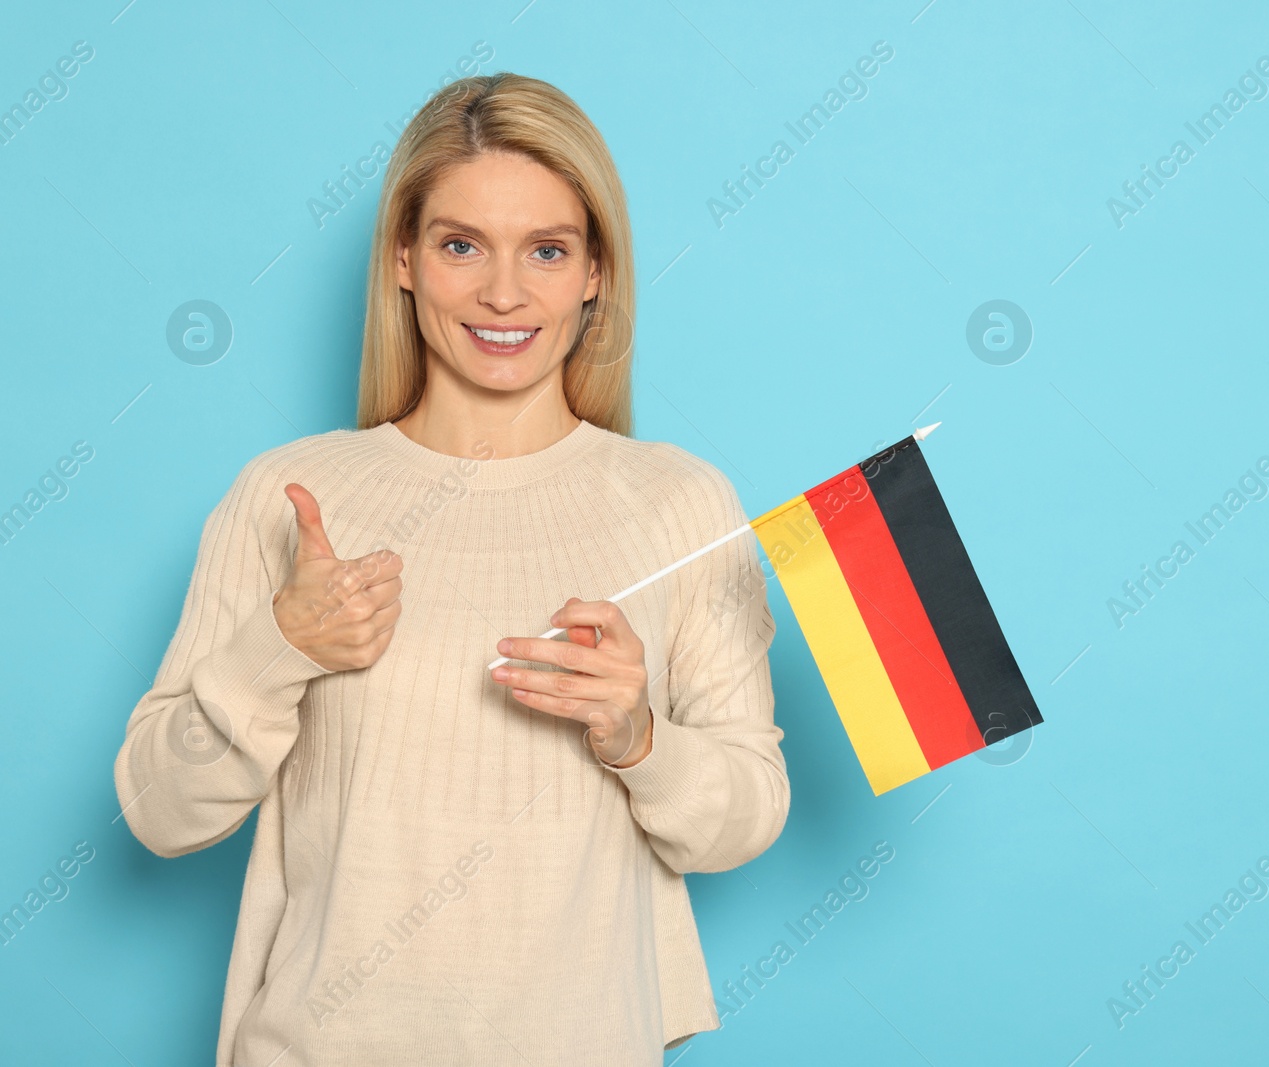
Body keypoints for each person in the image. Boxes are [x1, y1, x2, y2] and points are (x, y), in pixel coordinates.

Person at [112, 73, 789, 1067]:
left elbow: (744, 818)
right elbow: (158, 810)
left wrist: (637, 735)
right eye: (460, 244)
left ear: (596, 270)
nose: (503, 293)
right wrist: (278, 648)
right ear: (403, 256)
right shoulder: (290, 494)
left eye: (547, 251)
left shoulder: (679, 502)